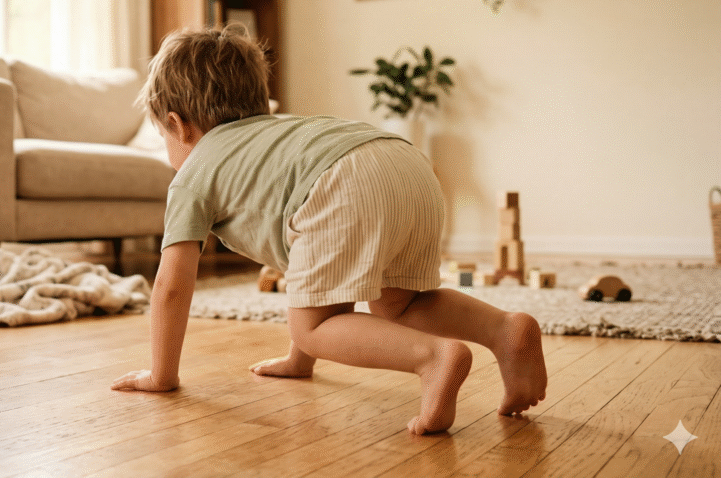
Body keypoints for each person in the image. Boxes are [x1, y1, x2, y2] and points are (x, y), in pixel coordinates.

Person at [111, 25, 547, 434]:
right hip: (407, 166)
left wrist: (161, 375)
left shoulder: (194, 173)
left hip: (342, 182)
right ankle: (503, 330)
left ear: (177, 125)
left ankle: (433, 356)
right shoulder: (279, 137)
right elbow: (305, 276)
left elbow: (171, 285)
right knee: (399, 303)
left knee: (314, 328)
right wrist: (300, 361)